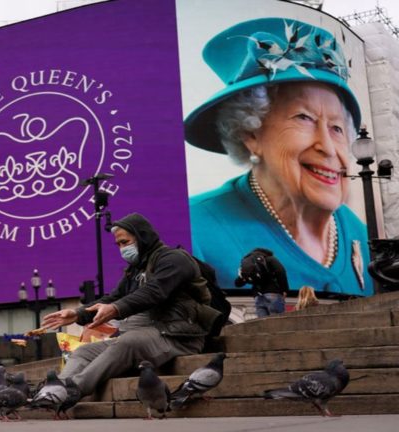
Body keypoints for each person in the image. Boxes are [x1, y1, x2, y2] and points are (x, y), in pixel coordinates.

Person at [184, 18, 373, 296]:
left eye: (337, 128)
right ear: (251, 133)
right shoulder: (194, 229)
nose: (329, 148)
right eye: (304, 118)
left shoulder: (359, 232)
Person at [41, 213, 214, 396]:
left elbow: (154, 292)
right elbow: (114, 297)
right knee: (84, 352)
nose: (122, 249)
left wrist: (116, 309)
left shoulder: (175, 259)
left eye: (125, 242)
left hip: (178, 337)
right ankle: (53, 391)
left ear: (142, 237)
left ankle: (72, 391)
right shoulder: (136, 269)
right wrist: (78, 314)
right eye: (118, 245)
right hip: (148, 334)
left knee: (128, 341)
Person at [235, 248, 289, 317]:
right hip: (272, 292)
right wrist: (284, 289)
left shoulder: (248, 262)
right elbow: (281, 271)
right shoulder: (270, 258)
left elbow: (238, 283)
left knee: (263, 323)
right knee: (277, 321)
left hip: (258, 296)